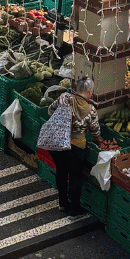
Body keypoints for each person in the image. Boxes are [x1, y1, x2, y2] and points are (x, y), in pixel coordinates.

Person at [41, 76, 99, 215]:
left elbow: (50, 110)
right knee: (75, 176)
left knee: (61, 171)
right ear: (89, 91)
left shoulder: (64, 98)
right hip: (75, 147)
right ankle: (74, 209)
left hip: (57, 142)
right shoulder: (91, 110)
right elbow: (95, 131)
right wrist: (97, 139)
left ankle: (62, 203)